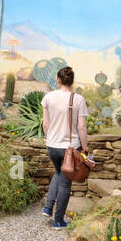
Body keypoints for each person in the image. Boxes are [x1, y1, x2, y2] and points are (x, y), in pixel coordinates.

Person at [41, 66, 89, 228]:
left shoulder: (48, 97)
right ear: (72, 81)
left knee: (59, 172)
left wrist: (50, 139)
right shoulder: (78, 99)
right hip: (69, 148)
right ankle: (58, 221)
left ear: (58, 80)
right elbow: (81, 127)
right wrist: (85, 147)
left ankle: (48, 207)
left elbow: (45, 124)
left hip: (51, 145)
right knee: (65, 184)